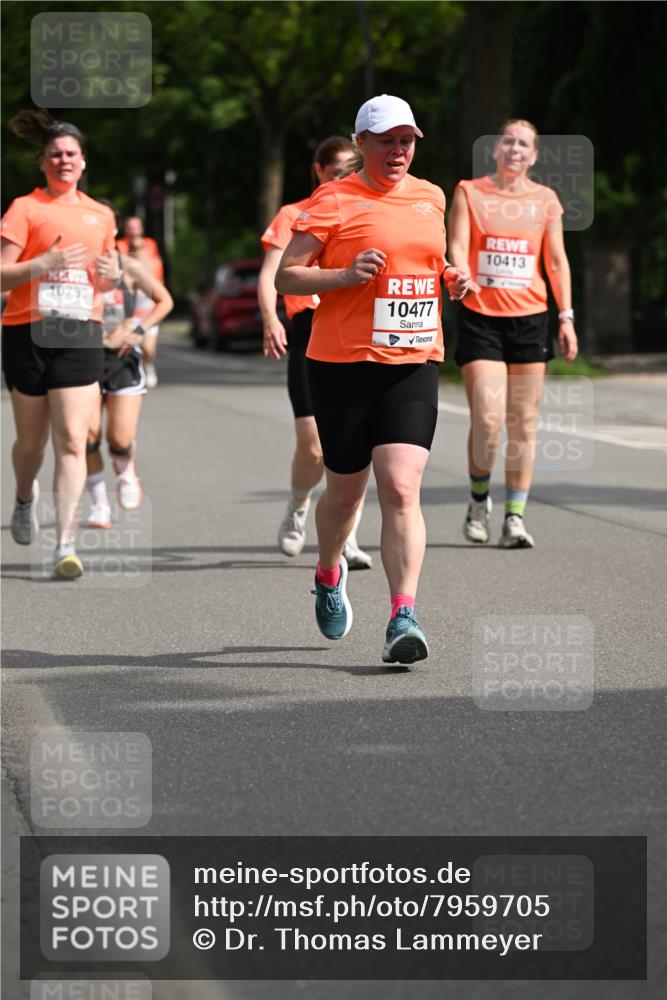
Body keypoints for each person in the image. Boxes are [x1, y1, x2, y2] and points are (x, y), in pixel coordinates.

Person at [276, 95, 471, 665]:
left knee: (402, 487)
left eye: (407, 139)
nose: (399, 150)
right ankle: (329, 570)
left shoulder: (430, 197)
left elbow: (433, 262)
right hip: (340, 365)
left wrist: (451, 277)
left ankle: (402, 615)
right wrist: (343, 273)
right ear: (360, 143)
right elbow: (289, 274)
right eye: (387, 139)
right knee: (343, 492)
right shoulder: (333, 199)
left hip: (412, 361)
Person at [448, 119, 578, 548]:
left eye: (523, 144)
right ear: (496, 149)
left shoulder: (546, 200)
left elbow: (556, 261)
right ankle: (478, 499)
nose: (514, 149)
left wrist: (566, 317)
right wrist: (461, 272)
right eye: (508, 141)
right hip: (480, 316)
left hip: (531, 320)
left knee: (522, 423)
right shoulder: (469, 191)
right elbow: (455, 245)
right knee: (487, 418)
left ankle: (515, 518)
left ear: (534, 155)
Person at [1, 110, 117, 578]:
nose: (63, 160)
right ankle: (25, 495)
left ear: (83, 162)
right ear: (43, 162)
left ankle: (65, 544)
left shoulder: (101, 214)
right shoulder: (25, 208)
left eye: (71, 154)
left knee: (72, 439)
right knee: (31, 441)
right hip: (27, 330)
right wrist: (42, 262)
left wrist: (112, 277)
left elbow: (107, 284)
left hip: (80, 333)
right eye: (55, 154)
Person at [258, 135, 372, 570]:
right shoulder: (294, 214)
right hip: (307, 329)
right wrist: (271, 319)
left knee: (352, 443)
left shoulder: (364, 207)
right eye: (337, 168)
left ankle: (349, 537)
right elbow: (272, 274)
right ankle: (299, 506)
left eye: (351, 167)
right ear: (318, 171)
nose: (345, 175)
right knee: (313, 447)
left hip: (353, 327)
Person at [84, 200, 174, 527]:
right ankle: (98, 504)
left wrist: (138, 329)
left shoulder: (129, 265)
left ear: (114, 228)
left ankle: (126, 473)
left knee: (119, 439)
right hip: (83, 357)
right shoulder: (74, 265)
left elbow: (165, 301)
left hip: (121, 359)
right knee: (87, 436)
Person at [117, 216, 164, 388]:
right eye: (130, 227)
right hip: (129, 305)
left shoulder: (150, 244)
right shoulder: (120, 245)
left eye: (136, 227)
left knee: (149, 347)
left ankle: (148, 365)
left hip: (148, 305)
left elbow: (152, 272)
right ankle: (133, 372)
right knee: (127, 343)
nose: (133, 231)